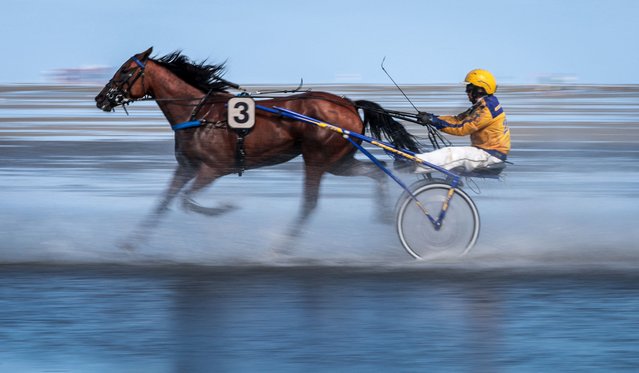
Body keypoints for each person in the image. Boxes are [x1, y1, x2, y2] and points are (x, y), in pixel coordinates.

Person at [415, 69, 510, 173]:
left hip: (490, 156)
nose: (466, 92)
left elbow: (462, 128)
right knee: (451, 153)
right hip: (485, 152)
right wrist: (433, 117)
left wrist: (434, 121)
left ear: (480, 89)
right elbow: (458, 119)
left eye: (469, 89)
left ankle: (415, 164)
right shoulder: (483, 104)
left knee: (451, 154)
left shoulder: (487, 109)